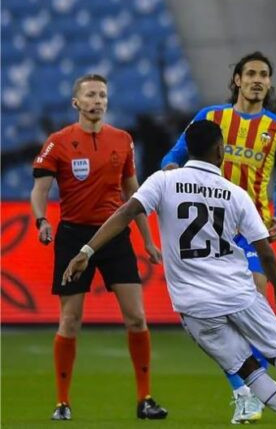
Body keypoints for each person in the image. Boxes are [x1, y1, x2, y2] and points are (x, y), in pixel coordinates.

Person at [63, 120, 276, 429]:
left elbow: (125, 213)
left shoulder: (163, 181)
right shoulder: (235, 194)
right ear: (220, 151)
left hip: (195, 304)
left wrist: (86, 251)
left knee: (248, 370)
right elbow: (265, 251)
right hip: (239, 292)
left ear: (187, 149)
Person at [161, 51, 276, 423]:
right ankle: (244, 391)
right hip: (210, 230)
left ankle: (251, 390)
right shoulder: (210, 118)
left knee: (252, 300)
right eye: (249, 73)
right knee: (221, 319)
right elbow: (171, 157)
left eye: (263, 74)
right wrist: (171, 170)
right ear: (236, 80)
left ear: (269, 83)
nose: (256, 79)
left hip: (251, 230)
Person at [30, 74, 167, 421]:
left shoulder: (122, 140)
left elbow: (133, 194)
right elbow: (40, 190)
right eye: (90, 95)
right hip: (73, 236)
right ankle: (62, 402)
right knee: (71, 320)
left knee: (136, 317)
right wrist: (41, 220)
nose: (97, 100)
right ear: (76, 102)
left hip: (115, 234)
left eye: (102, 95)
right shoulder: (58, 142)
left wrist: (148, 239)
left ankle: (145, 398)